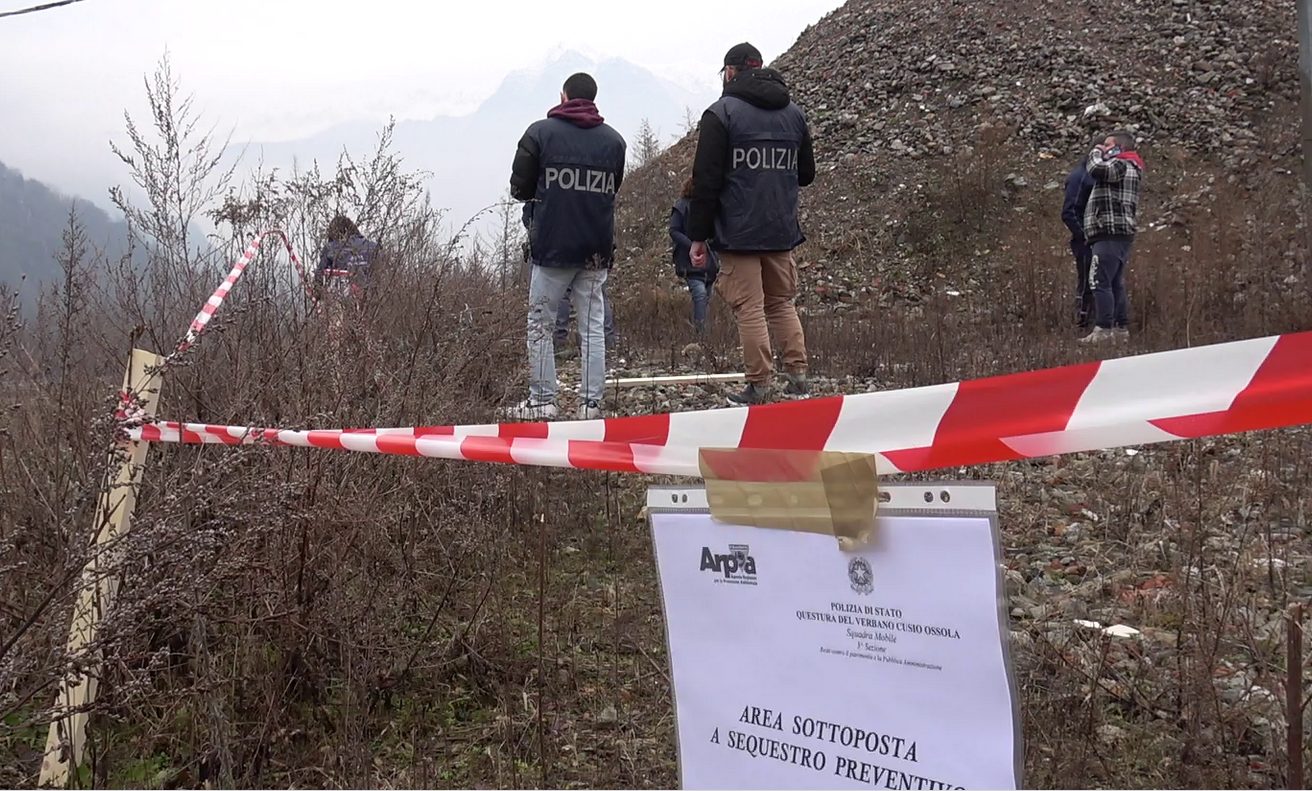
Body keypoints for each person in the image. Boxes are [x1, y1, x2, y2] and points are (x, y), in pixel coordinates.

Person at [687, 42, 815, 405]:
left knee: (750, 307)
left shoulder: (721, 114)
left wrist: (698, 237)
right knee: (781, 303)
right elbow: (806, 173)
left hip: (738, 232)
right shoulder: (794, 114)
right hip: (781, 229)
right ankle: (798, 377)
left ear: (730, 72)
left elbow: (705, 182)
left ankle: (759, 385)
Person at [508, 72, 627, 420]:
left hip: (552, 247)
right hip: (596, 248)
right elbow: (612, 187)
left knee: (541, 324)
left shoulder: (540, 134)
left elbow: (519, 188)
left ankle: (543, 400)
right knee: (591, 327)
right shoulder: (614, 142)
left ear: (563, 97)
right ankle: (591, 406)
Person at [1079, 129, 1145, 345]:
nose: (1104, 148)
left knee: (1099, 280)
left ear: (1119, 148)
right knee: (1114, 282)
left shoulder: (1120, 165)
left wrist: (1096, 151)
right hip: (1118, 233)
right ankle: (1119, 327)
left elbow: (1095, 169)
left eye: (1108, 145)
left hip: (1109, 231)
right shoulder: (1131, 167)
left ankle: (1104, 328)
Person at [669, 176, 719, 334]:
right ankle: (701, 335)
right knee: (700, 294)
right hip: (690, 262)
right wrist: (691, 245)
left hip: (709, 262)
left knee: (707, 297)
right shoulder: (681, 206)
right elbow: (674, 230)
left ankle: (705, 333)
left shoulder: (710, 208)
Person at [1061, 148, 1095, 330]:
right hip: (1085, 240)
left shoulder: (1093, 175)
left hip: (1095, 238)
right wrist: (1084, 235)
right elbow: (1068, 212)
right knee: (1086, 282)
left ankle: (1091, 318)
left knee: (1095, 281)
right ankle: (1081, 321)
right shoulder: (1080, 176)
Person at [316, 214, 378, 299]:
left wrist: (317, 296)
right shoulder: (373, 247)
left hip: (344, 300)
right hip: (374, 299)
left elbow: (319, 277)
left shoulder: (330, 247)